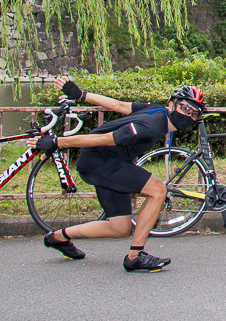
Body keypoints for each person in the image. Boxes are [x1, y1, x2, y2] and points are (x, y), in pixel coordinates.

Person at [28, 78, 205, 272]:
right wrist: (58, 142)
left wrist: (82, 95)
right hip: (100, 161)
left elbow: (118, 105)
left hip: (108, 162)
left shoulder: (156, 110)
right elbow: (103, 139)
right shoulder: (151, 125)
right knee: (158, 190)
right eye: (185, 108)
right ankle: (135, 256)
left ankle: (57, 238)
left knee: (120, 228)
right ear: (171, 105)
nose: (189, 115)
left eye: (194, 113)